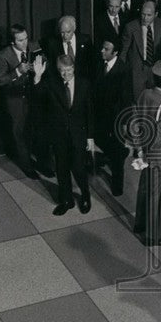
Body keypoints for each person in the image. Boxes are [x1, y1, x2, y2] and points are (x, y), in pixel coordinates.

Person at [32, 54, 95, 216]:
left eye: (68, 70)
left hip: (78, 134)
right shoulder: (52, 83)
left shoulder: (84, 84)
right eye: (62, 71)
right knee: (61, 168)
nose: (65, 74)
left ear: (73, 68)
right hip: (58, 134)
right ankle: (66, 200)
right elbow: (38, 97)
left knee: (79, 168)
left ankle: (85, 195)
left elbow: (90, 112)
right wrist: (37, 76)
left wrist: (90, 137)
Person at [132, 59, 161, 245]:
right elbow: (159, 138)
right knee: (156, 196)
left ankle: (140, 224)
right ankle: (153, 236)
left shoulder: (145, 94)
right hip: (158, 158)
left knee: (144, 190)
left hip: (144, 152)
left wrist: (139, 151)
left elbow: (135, 121)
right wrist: (149, 158)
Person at [0, 24, 40, 179]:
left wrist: (39, 68)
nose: (25, 43)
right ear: (12, 42)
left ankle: (41, 163)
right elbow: (0, 80)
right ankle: (27, 167)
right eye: (20, 40)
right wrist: (18, 71)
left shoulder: (34, 46)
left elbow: (44, 61)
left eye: (26, 38)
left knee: (36, 130)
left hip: (34, 97)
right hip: (15, 100)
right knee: (19, 133)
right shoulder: (3, 55)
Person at [91, 39, 128, 196]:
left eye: (106, 49)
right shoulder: (99, 65)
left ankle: (117, 185)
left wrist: (124, 123)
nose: (102, 51)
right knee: (104, 144)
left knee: (117, 154)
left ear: (115, 53)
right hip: (100, 117)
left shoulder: (123, 70)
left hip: (116, 120)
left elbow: (126, 99)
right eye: (102, 48)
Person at [120, 0, 161, 106]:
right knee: (138, 102)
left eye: (149, 15)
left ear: (156, 14)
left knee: (155, 102)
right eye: (143, 14)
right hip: (137, 71)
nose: (145, 18)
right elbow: (123, 52)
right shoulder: (130, 27)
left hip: (156, 70)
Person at [45, 15, 95, 82]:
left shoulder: (85, 40)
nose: (65, 36)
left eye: (68, 32)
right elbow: (52, 67)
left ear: (74, 29)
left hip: (83, 82)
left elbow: (91, 63)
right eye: (62, 32)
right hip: (62, 82)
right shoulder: (53, 44)